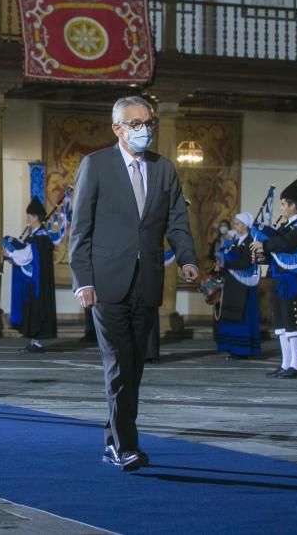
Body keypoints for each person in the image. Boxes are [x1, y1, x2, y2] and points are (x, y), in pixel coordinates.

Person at [69, 95, 199, 472]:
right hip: (106, 283)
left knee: (135, 366)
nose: (144, 130)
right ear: (117, 128)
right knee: (118, 364)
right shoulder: (96, 165)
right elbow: (81, 229)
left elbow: (177, 220)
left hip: (147, 281)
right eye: (136, 124)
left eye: (148, 122)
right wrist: (83, 281)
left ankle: (114, 437)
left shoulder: (164, 169)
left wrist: (188, 258)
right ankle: (126, 445)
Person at [251, 178, 297, 379]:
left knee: (292, 320)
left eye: (283, 204)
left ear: (294, 206)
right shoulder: (287, 227)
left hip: (293, 279)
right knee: (280, 322)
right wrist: (262, 256)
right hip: (279, 278)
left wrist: (266, 245)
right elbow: (279, 251)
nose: (281, 208)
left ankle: (295, 366)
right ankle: (285, 364)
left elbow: (287, 244)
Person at [3, 199, 57, 353]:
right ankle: (35, 342)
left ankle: (37, 343)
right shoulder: (34, 236)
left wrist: (10, 253)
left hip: (37, 282)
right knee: (33, 310)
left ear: (35, 217)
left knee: (36, 309)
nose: (27, 218)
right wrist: (11, 255)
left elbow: (27, 256)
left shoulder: (40, 237)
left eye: (29, 216)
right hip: (32, 280)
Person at [214, 212, 261, 359]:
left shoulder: (250, 241)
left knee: (243, 316)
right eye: (235, 224)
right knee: (231, 315)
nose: (235, 226)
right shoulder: (235, 240)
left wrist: (226, 263)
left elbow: (247, 262)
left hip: (244, 285)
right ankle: (232, 347)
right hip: (233, 284)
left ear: (246, 226)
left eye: (238, 224)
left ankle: (243, 350)